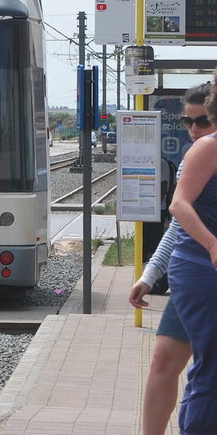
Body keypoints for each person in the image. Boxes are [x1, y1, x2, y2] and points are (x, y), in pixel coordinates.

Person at [129, 82, 212, 435]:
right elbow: (179, 224)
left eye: (203, 121)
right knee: (163, 360)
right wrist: (150, 274)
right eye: (186, 121)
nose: (193, 129)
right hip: (195, 272)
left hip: (201, 275)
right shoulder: (195, 159)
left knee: (204, 369)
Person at [168, 80, 217, 434]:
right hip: (202, 267)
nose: (194, 129)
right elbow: (178, 205)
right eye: (190, 122)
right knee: (213, 368)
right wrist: (212, 244)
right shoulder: (206, 150)